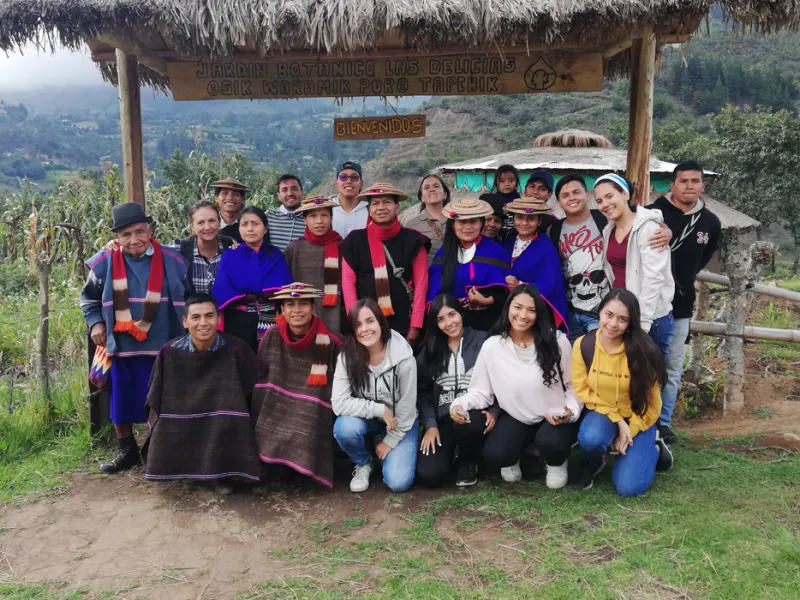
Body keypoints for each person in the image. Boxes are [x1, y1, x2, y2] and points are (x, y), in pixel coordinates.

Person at [80, 203, 187, 474]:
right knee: (122, 397)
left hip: (164, 344)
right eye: (126, 235)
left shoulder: (173, 261)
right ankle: (126, 449)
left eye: (140, 231)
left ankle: (157, 448)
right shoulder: (103, 263)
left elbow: (190, 297)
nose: (134, 240)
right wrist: (95, 324)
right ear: (117, 237)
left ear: (150, 229)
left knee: (164, 397)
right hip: (122, 344)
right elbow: (88, 298)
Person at [450, 285, 582, 489]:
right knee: (496, 454)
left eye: (531, 310)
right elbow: (481, 391)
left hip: (554, 416)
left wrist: (570, 411)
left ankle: (556, 461)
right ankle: (515, 454)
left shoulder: (556, 340)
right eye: (517, 307)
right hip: (517, 416)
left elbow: (573, 385)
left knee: (551, 444)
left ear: (539, 313)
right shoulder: (493, 345)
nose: (523, 315)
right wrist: (458, 404)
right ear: (508, 308)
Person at [143, 294, 261, 495]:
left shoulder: (236, 349)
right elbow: (156, 394)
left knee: (228, 417)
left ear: (218, 318)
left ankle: (221, 474)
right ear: (185, 322)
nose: (203, 323)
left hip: (221, 408)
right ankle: (178, 469)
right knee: (169, 420)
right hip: (182, 409)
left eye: (209, 316)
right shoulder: (169, 352)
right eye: (196, 317)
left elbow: (254, 387)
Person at [570, 289, 673, 495]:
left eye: (622, 319)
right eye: (609, 315)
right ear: (600, 312)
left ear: (631, 322)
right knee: (591, 438)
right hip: (604, 413)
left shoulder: (644, 351)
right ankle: (595, 460)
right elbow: (583, 389)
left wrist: (630, 430)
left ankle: (655, 448)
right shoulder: (584, 345)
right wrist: (618, 421)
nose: (613, 324)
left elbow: (653, 404)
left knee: (629, 487)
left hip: (639, 415)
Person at [548, 175, 671, 343]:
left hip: (608, 313)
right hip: (575, 310)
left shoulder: (605, 220)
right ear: (559, 202)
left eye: (577, 192)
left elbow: (642, 223)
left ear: (587, 195)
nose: (572, 198)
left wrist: (666, 230)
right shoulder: (554, 230)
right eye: (565, 195)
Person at [650, 161, 721, 444]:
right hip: (650, 304)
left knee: (672, 366)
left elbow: (702, 259)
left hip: (681, 306)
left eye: (695, 181)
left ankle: (663, 424)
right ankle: (644, 419)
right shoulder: (653, 213)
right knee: (644, 363)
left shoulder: (711, 222)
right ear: (673, 184)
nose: (689, 186)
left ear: (703, 185)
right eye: (683, 181)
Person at [252, 283, 342, 488]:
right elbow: (262, 378)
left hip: (312, 399)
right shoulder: (272, 335)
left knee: (308, 411)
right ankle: (273, 465)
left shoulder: (332, 342)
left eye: (303, 304)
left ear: (313, 308)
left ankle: (301, 468)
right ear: (282, 310)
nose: (297, 310)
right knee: (267, 406)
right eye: (290, 304)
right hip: (280, 395)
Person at [332, 299, 419, 493]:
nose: (365, 329)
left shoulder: (404, 358)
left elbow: (407, 407)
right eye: (358, 324)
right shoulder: (347, 357)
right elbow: (339, 403)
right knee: (345, 427)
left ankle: (387, 448)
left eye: (370, 321)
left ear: (380, 321)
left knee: (398, 482)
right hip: (368, 419)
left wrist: (390, 440)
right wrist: (380, 409)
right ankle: (364, 462)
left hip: (400, 421)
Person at [416, 294, 496, 488]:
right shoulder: (430, 350)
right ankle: (452, 453)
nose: (449, 323)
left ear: (461, 313)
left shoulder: (483, 341)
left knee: (469, 423)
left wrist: (495, 411)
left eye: (452, 315)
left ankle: (468, 460)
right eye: (441, 319)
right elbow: (423, 393)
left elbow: (499, 380)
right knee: (429, 474)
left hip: (473, 416)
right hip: (443, 419)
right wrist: (430, 424)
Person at [595, 174, 675, 355]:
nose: (604, 204)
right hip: (623, 316)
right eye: (599, 200)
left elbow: (653, 278)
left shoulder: (648, 228)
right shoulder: (609, 231)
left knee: (649, 379)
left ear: (624, 194)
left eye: (609, 196)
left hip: (650, 319)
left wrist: (643, 324)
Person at [340, 183, 430, 343]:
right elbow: (348, 285)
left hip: (403, 323)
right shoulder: (354, 241)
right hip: (364, 324)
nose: (381, 207)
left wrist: (416, 325)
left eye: (387, 202)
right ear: (369, 209)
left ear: (397, 206)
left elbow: (421, 285)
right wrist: (355, 322)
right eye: (375, 203)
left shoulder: (414, 241)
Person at [212, 206, 292, 352]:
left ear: (265, 228)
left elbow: (285, 289)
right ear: (239, 229)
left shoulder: (276, 256)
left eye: (255, 224)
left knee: (269, 360)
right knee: (241, 361)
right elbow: (222, 290)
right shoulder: (230, 256)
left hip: (271, 318)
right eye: (244, 224)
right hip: (237, 320)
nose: (250, 229)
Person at [428, 197, 511, 332]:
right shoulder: (443, 253)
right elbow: (435, 294)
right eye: (462, 222)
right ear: (452, 225)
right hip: (451, 326)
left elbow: (506, 294)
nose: (468, 227)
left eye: (473, 222)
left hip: (487, 324)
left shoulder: (496, 252)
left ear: (481, 224)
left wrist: (486, 301)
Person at [503, 196, 569, 329]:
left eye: (531, 219)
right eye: (519, 217)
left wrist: (520, 285)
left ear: (539, 222)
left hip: (533, 312)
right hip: (506, 308)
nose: (524, 223)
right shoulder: (507, 243)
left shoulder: (546, 248)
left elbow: (551, 284)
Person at [284, 196, 344, 334]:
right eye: (312, 216)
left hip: (335, 312)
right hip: (302, 311)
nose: (319, 221)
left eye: (324, 215)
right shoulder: (294, 248)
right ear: (305, 220)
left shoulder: (343, 246)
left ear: (331, 218)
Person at [173, 199, 236, 297]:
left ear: (219, 223)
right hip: (193, 311)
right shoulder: (179, 249)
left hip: (226, 310)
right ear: (192, 227)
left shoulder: (230, 245)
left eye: (212, 221)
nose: (207, 227)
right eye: (200, 223)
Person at [404, 174, 450, 263]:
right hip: (428, 275)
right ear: (422, 197)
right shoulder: (412, 225)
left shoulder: (457, 220)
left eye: (436, 186)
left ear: (445, 194)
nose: (431, 189)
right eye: (426, 188)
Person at [267, 174, 306, 251]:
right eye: (284, 190)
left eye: (294, 189)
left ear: (302, 193)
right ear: (279, 196)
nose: (290, 193)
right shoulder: (268, 216)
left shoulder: (311, 218)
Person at [330, 161, 369, 237]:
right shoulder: (327, 209)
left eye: (354, 177)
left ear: (361, 183)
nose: (348, 181)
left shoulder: (371, 211)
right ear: (336, 183)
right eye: (343, 177)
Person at [491, 164, 522, 236]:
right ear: (496, 183)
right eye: (502, 181)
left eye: (511, 181)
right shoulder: (492, 200)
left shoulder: (519, 202)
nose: (507, 184)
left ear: (516, 182)